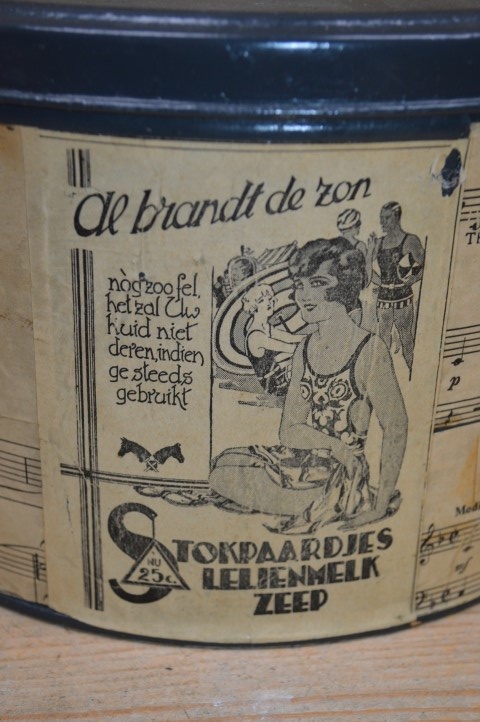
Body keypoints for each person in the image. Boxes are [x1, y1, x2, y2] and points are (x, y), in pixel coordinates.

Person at [209, 237, 408, 532]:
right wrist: (334, 446)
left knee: (222, 477)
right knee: (223, 463)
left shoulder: (369, 349)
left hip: (337, 478)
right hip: (302, 460)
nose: (303, 295)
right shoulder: (304, 348)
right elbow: (289, 430)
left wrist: (378, 506)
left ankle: (353, 499)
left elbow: (396, 425)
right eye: (299, 285)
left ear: (343, 285)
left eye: (317, 283)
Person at [370, 202, 424, 374]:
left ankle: (412, 373)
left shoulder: (410, 241)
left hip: (403, 295)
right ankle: (383, 378)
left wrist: (413, 279)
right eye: (381, 218)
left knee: (406, 337)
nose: (382, 222)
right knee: (382, 340)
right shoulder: (378, 243)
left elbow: (424, 267)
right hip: (384, 297)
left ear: (396, 217)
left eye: (386, 218)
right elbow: (366, 270)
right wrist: (380, 282)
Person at [242, 283, 302, 396]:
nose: (268, 302)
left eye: (270, 299)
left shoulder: (266, 327)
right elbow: (289, 348)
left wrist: (313, 336)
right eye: (261, 301)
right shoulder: (256, 336)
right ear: (254, 307)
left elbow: (290, 338)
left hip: (279, 372)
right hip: (272, 384)